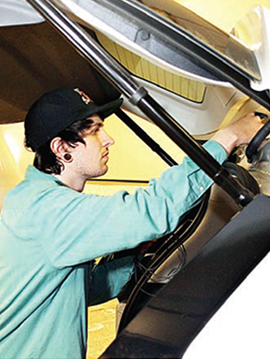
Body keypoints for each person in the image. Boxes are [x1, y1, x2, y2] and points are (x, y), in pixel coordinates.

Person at [0, 86, 263, 359]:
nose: (109, 139)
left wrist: (137, 259)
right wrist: (228, 138)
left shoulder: (37, 202)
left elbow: (83, 289)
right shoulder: (46, 210)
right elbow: (151, 209)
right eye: (94, 131)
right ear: (61, 147)